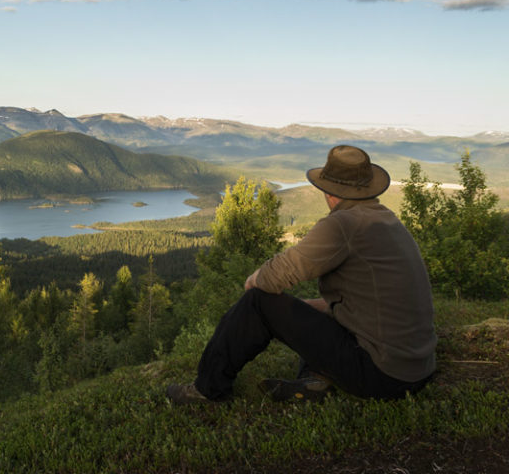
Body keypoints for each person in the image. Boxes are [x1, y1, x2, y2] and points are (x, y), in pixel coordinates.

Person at [167, 145, 437, 404]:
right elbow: (368, 303)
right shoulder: (386, 220)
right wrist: (307, 309)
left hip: (382, 375)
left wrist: (253, 281)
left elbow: (275, 276)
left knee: (258, 301)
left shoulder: (344, 224)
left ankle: (207, 389)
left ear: (329, 192)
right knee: (310, 307)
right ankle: (315, 380)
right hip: (415, 369)